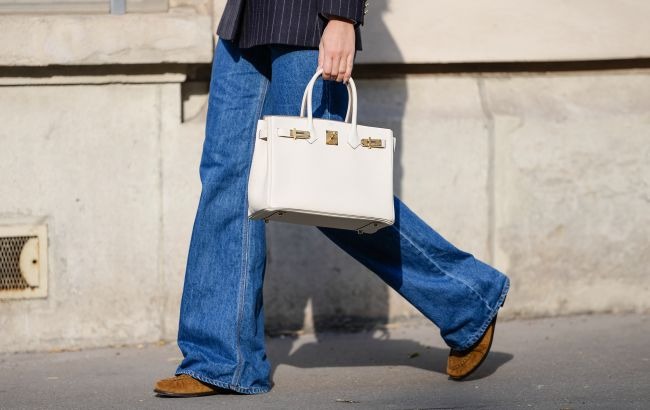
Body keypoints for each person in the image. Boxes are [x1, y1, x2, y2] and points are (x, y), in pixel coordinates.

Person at [154, 0, 510, 397]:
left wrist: (342, 16)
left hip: (308, 17)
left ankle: (467, 296)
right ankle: (220, 360)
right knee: (225, 178)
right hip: (245, 17)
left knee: (326, 189)